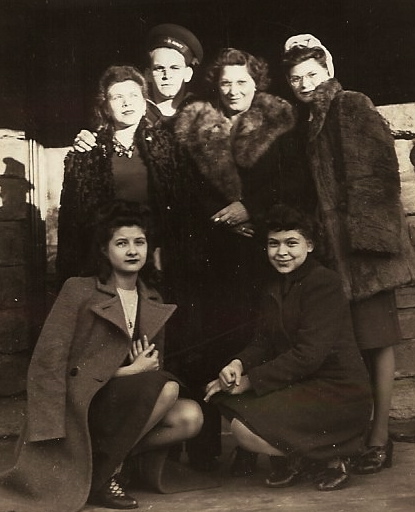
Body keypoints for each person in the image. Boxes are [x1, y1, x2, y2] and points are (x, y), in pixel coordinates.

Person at [0, 201, 203, 512]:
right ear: (105, 250)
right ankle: (106, 473)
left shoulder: (152, 298)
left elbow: (152, 368)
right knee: (168, 388)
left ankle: (105, 465)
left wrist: (143, 370)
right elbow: (49, 363)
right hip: (82, 406)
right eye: (122, 243)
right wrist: (131, 371)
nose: (133, 250)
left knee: (190, 417)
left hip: (124, 406)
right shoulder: (79, 291)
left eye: (140, 242)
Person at [172, 47, 314, 471]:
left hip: (264, 255)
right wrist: (224, 218)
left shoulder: (280, 123)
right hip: (213, 258)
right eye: (227, 83)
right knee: (216, 345)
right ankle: (208, 450)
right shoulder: (197, 126)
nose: (234, 90)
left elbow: (296, 184)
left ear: (257, 83)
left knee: (263, 347)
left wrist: (250, 207)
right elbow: (183, 193)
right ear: (216, 86)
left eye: (243, 82)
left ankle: (255, 448)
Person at [281, 34, 415, 475]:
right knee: (349, 347)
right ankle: (356, 434)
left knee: (375, 342)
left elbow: (376, 176)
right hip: (332, 255)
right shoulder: (306, 119)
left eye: (312, 74)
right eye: (297, 77)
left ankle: (379, 438)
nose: (305, 83)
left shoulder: (350, 103)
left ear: (329, 71)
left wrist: (369, 249)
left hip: (362, 254)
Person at [204, 204, 372, 491]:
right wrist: (237, 365)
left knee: (243, 431)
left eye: (291, 243)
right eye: (273, 244)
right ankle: (304, 457)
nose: (281, 252)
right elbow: (263, 341)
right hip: (301, 385)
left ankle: (331, 457)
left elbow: (309, 356)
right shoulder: (275, 284)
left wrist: (250, 382)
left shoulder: (324, 283)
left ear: (309, 245)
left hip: (337, 390)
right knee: (224, 399)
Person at [56, 64, 180, 287]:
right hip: (104, 261)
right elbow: (72, 226)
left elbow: (180, 211)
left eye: (133, 95)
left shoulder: (168, 148)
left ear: (144, 104)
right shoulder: (87, 154)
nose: (126, 102)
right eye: (117, 97)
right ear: (105, 108)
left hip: (157, 257)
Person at [73, 23, 203, 153]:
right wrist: (86, 140)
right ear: (148, 75)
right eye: (159, 68)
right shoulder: (131, 111)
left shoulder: (202, 114)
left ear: (188, 74)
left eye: (174, 68)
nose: (166, 76)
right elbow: (102, 139)